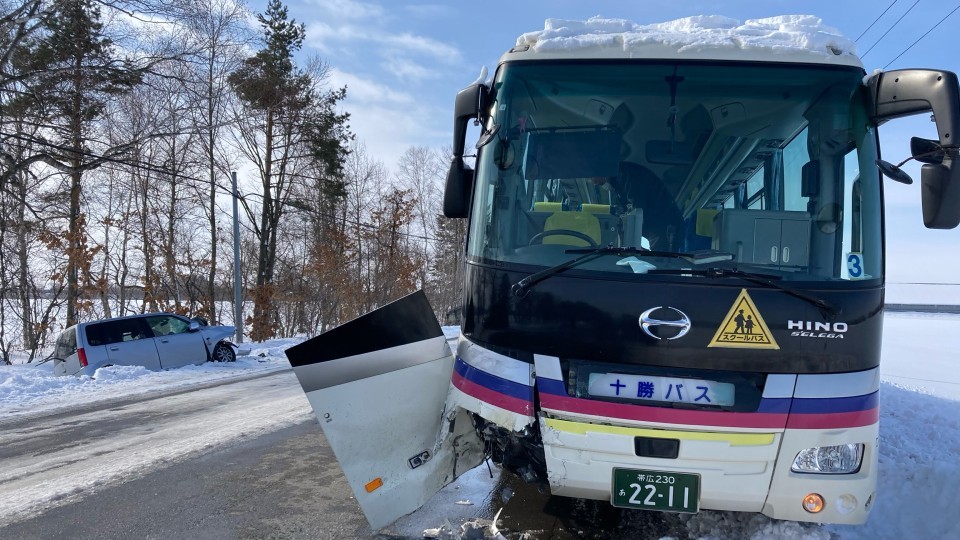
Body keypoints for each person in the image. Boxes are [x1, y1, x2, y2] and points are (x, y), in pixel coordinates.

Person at [592, 162, 684, 251]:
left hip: (664, 227)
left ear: (601, 170)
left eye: (592, 177)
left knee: (662, 259)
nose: (593, 182)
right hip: (656, 227)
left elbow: (636, 212)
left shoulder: (627, 175)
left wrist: (632, 247)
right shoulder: (618, 181)